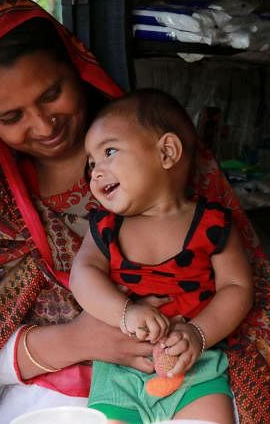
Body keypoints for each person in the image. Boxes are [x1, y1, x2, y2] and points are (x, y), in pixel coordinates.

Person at [0, 0, 270, 424]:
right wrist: (80, 341)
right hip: (48, 399)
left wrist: (194, 334)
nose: (44, 125)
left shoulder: (153, 156)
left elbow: (246, 299)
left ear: (76, 68)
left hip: (193, 374)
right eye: (11, 118)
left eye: (52, 94)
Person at [70, 89, 253, 424]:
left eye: (109, 152)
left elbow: (237, 288)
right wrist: (124, 313)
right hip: (119, 372)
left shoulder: (211, 224)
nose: (95, 172)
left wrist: (199, 334)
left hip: (195, 365)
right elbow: (82, 277)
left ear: (167, 152)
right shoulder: (106, 226)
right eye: (92, 163)